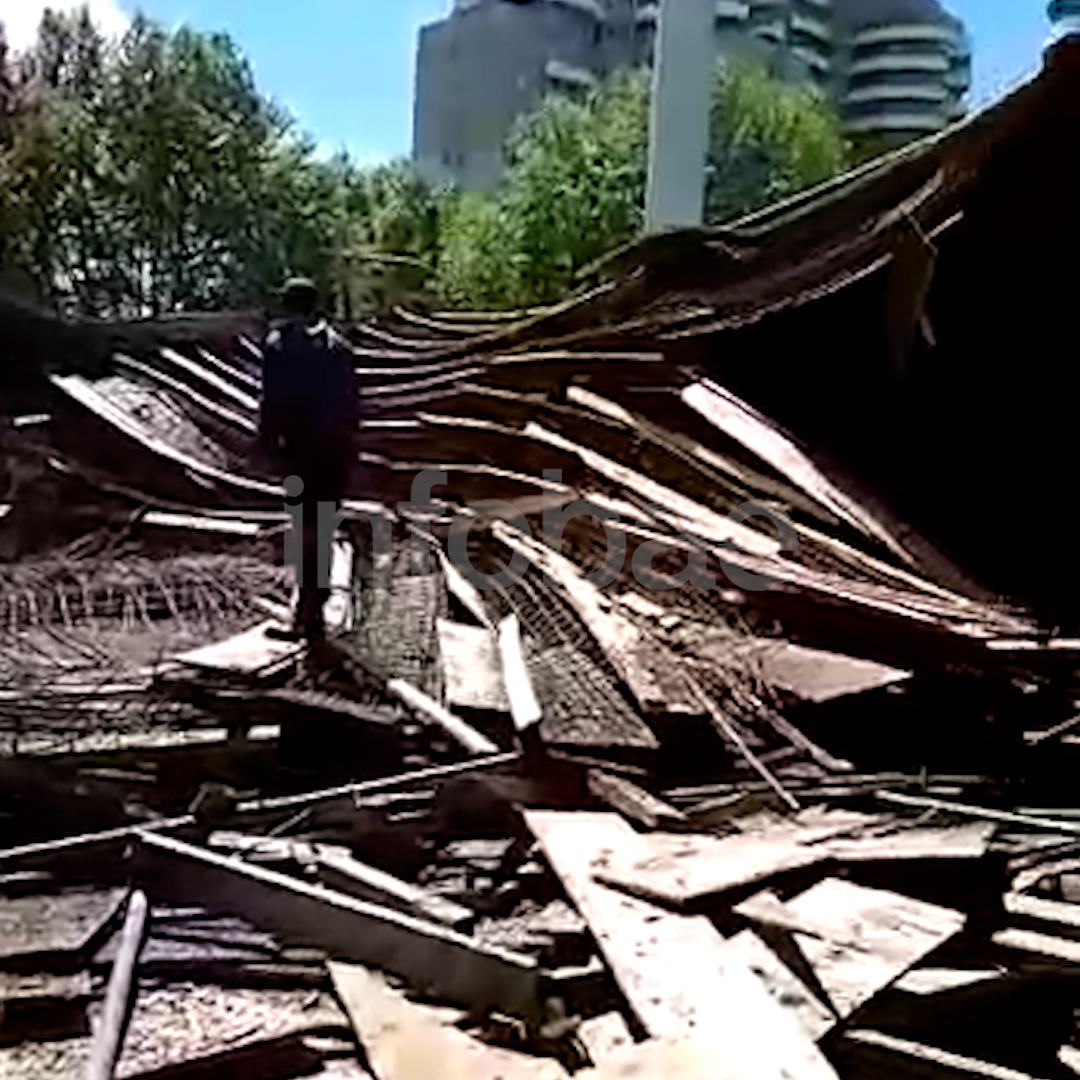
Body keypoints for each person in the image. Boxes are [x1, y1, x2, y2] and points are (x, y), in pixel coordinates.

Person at [258, 277, 357, 643]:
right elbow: (352, 407)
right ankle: (314, 612)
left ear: (286, 307)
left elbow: (271, 403)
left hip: (298, 457)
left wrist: (266, 447)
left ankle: (306, 617)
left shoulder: (279, 345)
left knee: (304, 529)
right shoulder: (340, 347)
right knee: (323, 528)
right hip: (333, 456)